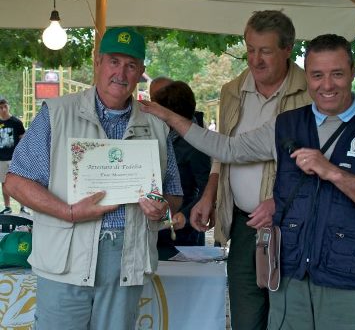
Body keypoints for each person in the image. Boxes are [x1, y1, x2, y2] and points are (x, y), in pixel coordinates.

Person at [141, 34, 355, 329]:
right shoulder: (288, 124)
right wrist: (169, 116)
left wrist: (333, 171)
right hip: (290, 275)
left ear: (353, 73)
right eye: (317, 75)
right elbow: (227, 148)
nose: (327, 85)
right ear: (307, 76)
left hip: (349, 278)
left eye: (337, 74)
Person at [4, 27, 183, 330]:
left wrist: (162, 207)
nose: (120, 73)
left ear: (140, 72)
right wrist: (69, 212)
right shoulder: (57, 114)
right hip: (67, 255)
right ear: (97, 63)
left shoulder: (156, 126)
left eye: (130, 65)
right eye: (113, 61)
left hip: (127, 258)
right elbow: (16, 182)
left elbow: (173, 193)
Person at [189, 10, 312, 329]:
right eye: (250, 49)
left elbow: (317, 163)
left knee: (287, 318)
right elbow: (224, 150)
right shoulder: (232, 90)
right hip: (245, 225)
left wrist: (280, 203)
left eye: (266, 51)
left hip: (295, 228)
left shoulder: (311, 93)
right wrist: (209, 195)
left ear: (288, 49)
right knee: (245, 319)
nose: (255, 59)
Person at [154, 80, 211, 250]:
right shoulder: (163, 135)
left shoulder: (197, 144)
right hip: (159, 227)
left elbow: (207, 190)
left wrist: (185, 215)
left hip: (183, 234)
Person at [0, 97, 29, 215]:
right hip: (1, 159)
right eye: (0, 107)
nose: (3, 109)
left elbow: (23, 140)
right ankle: (7, 207)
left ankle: (24, 207)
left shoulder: (16, 122)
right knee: (4, 183)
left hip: (15, 159)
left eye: (5, 106)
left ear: (8, 106)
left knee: (20, 183)